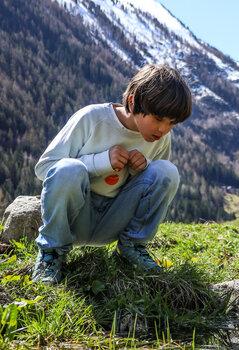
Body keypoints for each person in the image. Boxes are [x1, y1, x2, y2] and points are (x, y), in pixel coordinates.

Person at [32, 64, 192, 284]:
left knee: (166, 171)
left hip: (115, 220)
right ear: (134, 100)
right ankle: (51, 253)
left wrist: (141, 170)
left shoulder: (161, 139)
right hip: (76, 219)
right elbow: (45, 168)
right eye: (158, 118)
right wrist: (101, 161)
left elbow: (155, 187)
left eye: (172, 123)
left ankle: (132, 248)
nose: (163, 129)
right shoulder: (92, 118)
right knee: (68, 169)